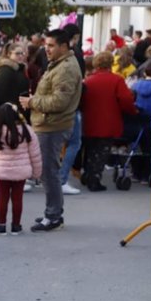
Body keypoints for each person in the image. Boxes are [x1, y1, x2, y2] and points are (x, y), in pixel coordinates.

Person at [19, 29, 82, 232]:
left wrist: (32, 102)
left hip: (53, 125)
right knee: (47, 171)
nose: (47, 49)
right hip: (48, 124)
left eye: (51, 45)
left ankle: (54, 216)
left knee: (49, 172)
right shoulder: (58, 65)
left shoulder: (65, 68)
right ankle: (52, 213)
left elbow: (59, 102)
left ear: (64, 46)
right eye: (46, 45)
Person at [81, 52, 137, 191]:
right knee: (102, 151)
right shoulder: (116, 80)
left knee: (90, 150)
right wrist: (132, 111)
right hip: (108, 121)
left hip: (90, 120)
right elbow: (126, 100)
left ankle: (88, 174)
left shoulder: (88, 80)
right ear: (111, 63)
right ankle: (95, 179)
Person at [0, 103, 42, 235]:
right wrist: (37, 173)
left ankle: (1, 225)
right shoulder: (27, 130)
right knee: (18, 198)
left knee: (2, 198)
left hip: (1, 172)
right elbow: (35, 154)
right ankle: (16, 226)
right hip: (21, 172)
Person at [59, 23, 86, 196]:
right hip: (72, 105)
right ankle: (61, 179)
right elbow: (79, 81)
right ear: (74, 37)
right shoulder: (74, 55)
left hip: (59, 104)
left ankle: (52, 178)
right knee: (74, 142)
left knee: (54, 142)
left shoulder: (56, 53)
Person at [132, 59, 151, 184]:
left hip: (138, 121)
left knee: (137, 148)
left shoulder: (135, 86)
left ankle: (137, 173)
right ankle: (148, 174)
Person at [0, 42, 29, 107]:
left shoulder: (19, 68)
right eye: (17, 54)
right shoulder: (5, 70)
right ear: (9, 54)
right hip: (10, 109)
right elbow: (1, 94)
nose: (20, 56)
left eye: (22, 53)